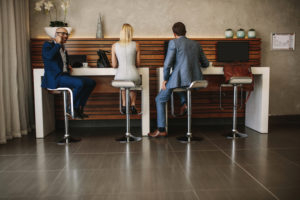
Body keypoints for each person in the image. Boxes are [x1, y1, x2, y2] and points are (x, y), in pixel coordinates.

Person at [148, 22, 209, 138]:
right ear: (185, 32)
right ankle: (184, 103)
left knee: (160, 99)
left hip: (180, 79)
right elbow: (205, 63)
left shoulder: (173, 42)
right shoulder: (196, 44)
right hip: (194, 80)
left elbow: (167, 65)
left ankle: (161, 129)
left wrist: (165, 79)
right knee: (178, 85)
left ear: (174, 34)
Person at [41, 27, 96, 119]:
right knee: (80, 83)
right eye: (63, 34)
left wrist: (67, 65)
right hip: (56, 78)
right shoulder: (48, 45)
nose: (66, 36)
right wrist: (57, 44)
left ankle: (79, 108)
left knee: (91, 82)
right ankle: (71, 108)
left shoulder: (63, 48)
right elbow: (48, 56)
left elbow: (60, 61)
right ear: (56, 34)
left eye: (67, 34)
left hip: (64, 76)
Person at [111, 23, 141, 114]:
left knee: (123, 85)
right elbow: (138, 64)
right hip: (133, 75)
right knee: (133, 84)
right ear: (131, 33)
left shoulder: (114, 46)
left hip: (120, 76)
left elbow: (114, 65)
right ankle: (133, 104)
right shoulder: (136, 45)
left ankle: (124, 105)